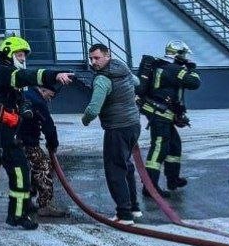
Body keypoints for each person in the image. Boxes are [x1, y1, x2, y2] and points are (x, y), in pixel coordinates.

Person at [0, 36, 75, 230]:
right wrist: (55, 75)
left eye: (24, 55)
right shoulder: (6, 72)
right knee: (20, 173)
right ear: (8, 53)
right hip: (1, 133)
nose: (22, 58)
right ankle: (18, 215)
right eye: (19, 54)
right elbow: (29, 76)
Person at [80, 41, 142, 225]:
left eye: (97, 58)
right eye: (91, 58)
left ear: (107, 56)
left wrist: (85, 120)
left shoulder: (102, 79)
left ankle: (124, 215)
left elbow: (93, 109)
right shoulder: (123, 70)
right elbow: (137, 82)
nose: (93, 62)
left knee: (115, 170)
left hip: (117, 128)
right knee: (126, 166)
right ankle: (134, 208)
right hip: (133, 125)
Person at [139, 40, 201, 197]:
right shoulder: (174, 69)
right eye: (184, 55)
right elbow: (194, 82)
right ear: (177, 54)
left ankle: (173, 180)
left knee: (173, 145)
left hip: (160, 111)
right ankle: (150, 187)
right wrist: (192, 69)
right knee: (159, 148)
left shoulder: (161, 65)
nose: (185, 57)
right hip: (159, 113)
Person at [20, 85, 67, 218]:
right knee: (43, 167)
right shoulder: (38, 101)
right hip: (26, 141)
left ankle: (27, 200)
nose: (49, 100)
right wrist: (53, 145)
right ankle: (44, 205)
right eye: (50, 96)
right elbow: (49, 126)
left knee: (29, 169)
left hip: (16, 139)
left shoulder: (27, 92)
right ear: (43, 89)